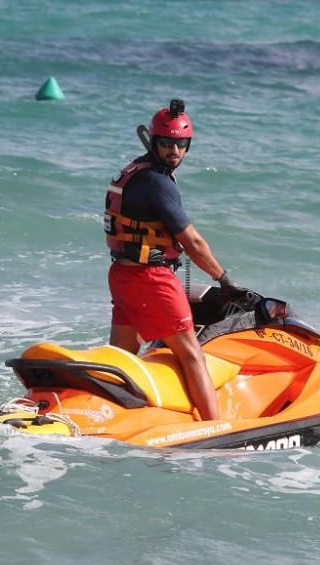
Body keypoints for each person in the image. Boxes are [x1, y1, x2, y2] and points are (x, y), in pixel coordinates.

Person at [103, 99, 244, 421]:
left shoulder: (136, 171)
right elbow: (192, 241)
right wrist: (223, 279)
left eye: (181, 145)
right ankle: (215, 426)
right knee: (192, 355)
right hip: (152, 280)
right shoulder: (156, 182)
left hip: (123, 276)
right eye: (166, 144)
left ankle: (103, 415)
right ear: (154, 142)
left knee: (121, 355)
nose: (174, 152)